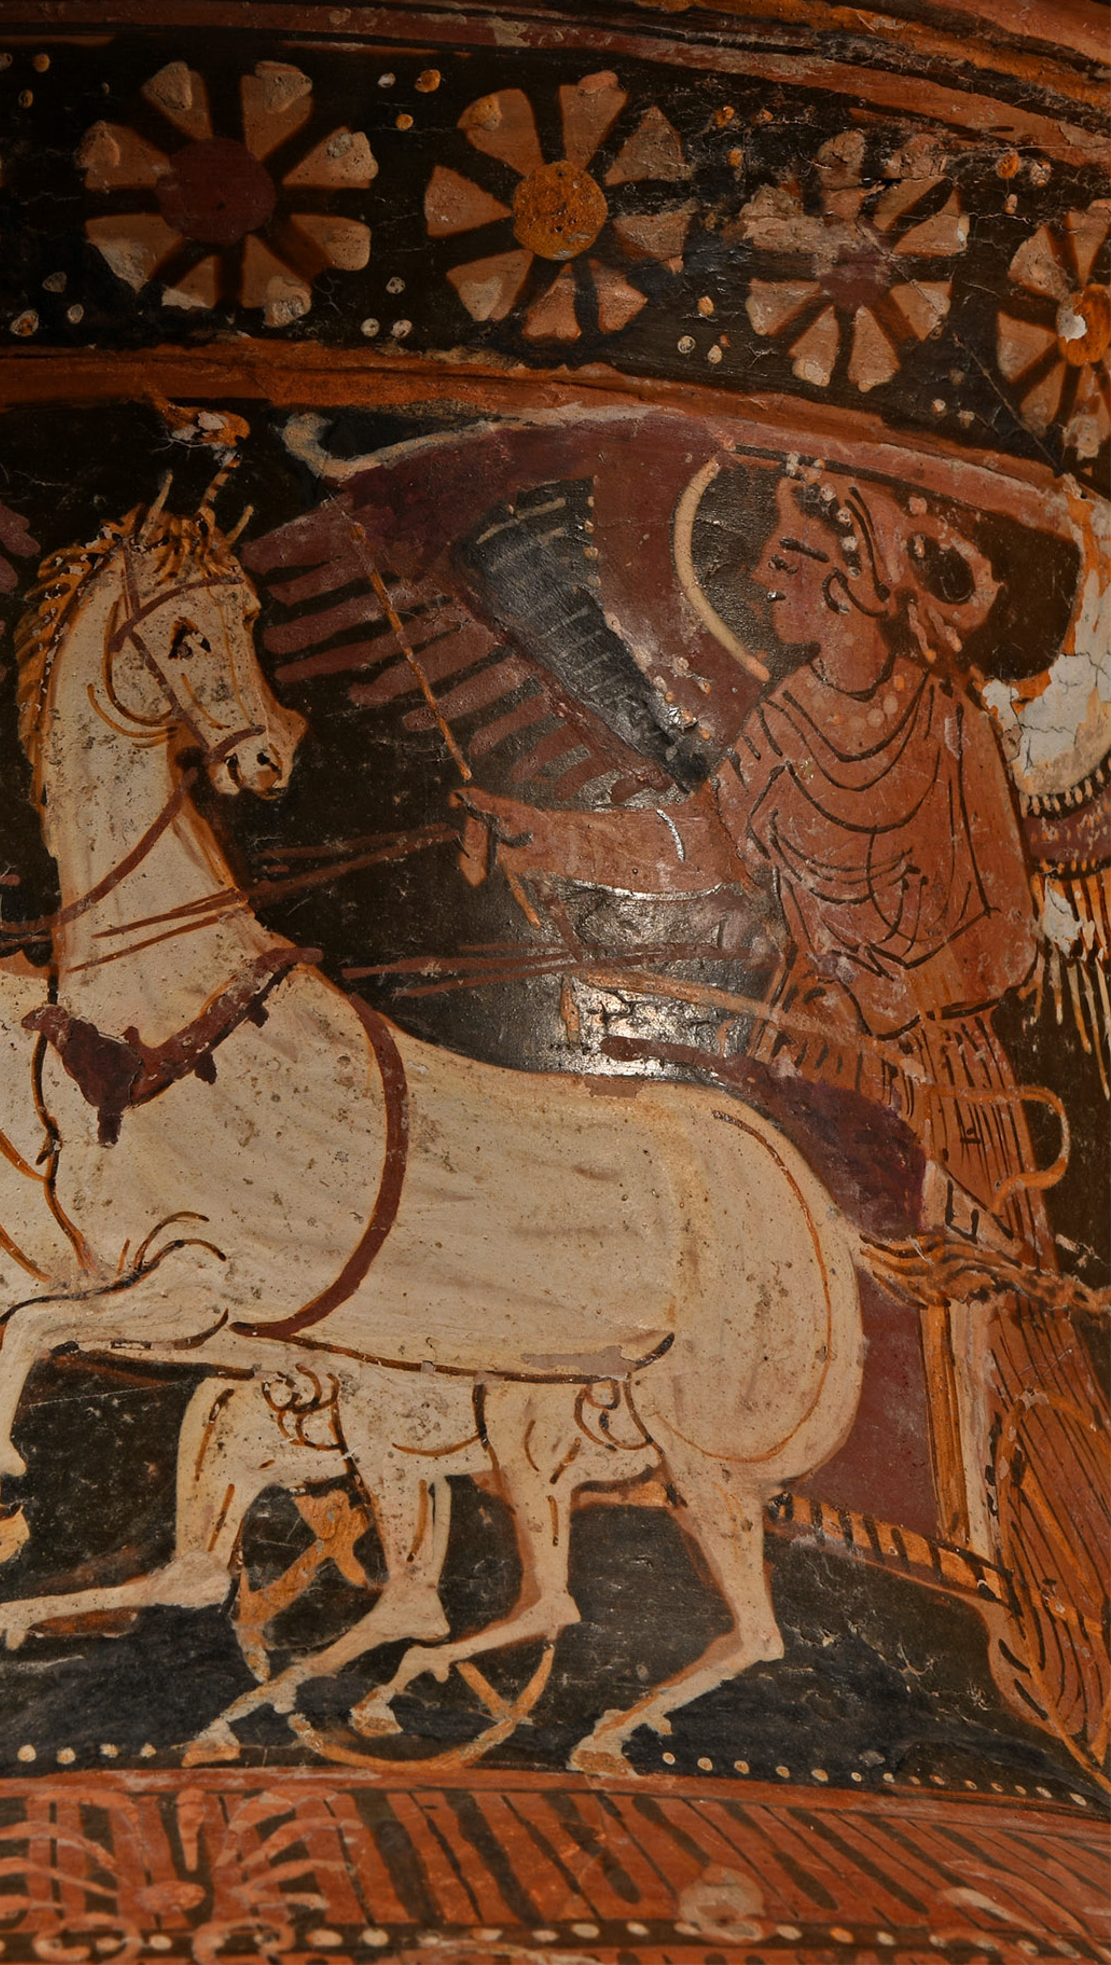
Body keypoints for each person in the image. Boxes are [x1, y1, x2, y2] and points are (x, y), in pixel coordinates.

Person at [460, 461, 1111, 1778]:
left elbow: (996, 940)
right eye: (759, 559)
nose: (762, 584)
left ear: (857, 579)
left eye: (790, 563)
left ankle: (983, 1601)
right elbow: (698, 845)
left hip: (934, 1072)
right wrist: (546, 836)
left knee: (962, 1339)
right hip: (808, 1040)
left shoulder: (945, 724)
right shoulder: (788, 716)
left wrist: (899, 982)